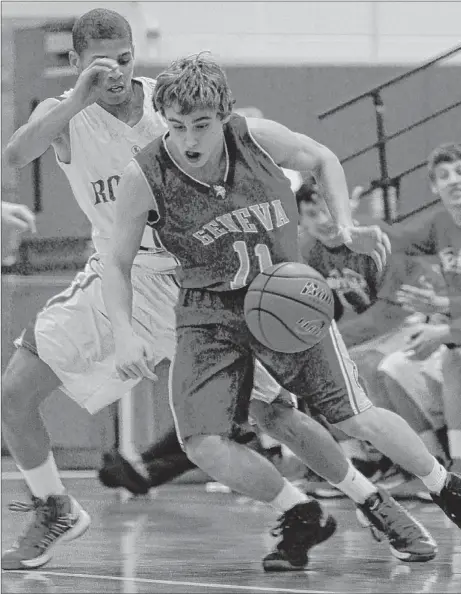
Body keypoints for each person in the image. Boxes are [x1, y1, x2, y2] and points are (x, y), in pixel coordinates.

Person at [0, 9, 335, 572]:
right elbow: (14, 156)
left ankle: (338, 505)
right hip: (119, 277)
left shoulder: (170, 104)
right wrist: (77, 99)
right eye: (100, 65)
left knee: (271, 414)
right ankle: (53, 505)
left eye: (125, 60)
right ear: (78, 63)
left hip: (197, 281)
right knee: (13, 394)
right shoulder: (64, 115)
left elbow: (246, 156)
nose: (115, 74)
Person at [103, 53, 460, 569]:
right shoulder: (146, 174)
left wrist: (341, 225)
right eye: (177, 127)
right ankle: (300, 510)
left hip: (286, 297)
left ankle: (443, 486)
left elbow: (322, 159)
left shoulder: (255, 138)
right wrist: (122, 332)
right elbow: (116, 262)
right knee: (202, 442)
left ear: (223, 116)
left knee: (354, 415)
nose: (189, 140)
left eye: (201, 125)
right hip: (210, 314)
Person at [390, 142, 461, 478]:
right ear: (434, 187)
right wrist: (346, 223)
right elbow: (391, 240)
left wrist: (445, 322)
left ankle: (459, 465)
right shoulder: (440, 224)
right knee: (394, 366)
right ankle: (432, 467)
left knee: (453, 358)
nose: (453, 181)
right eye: (444, 176)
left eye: (460, 172)